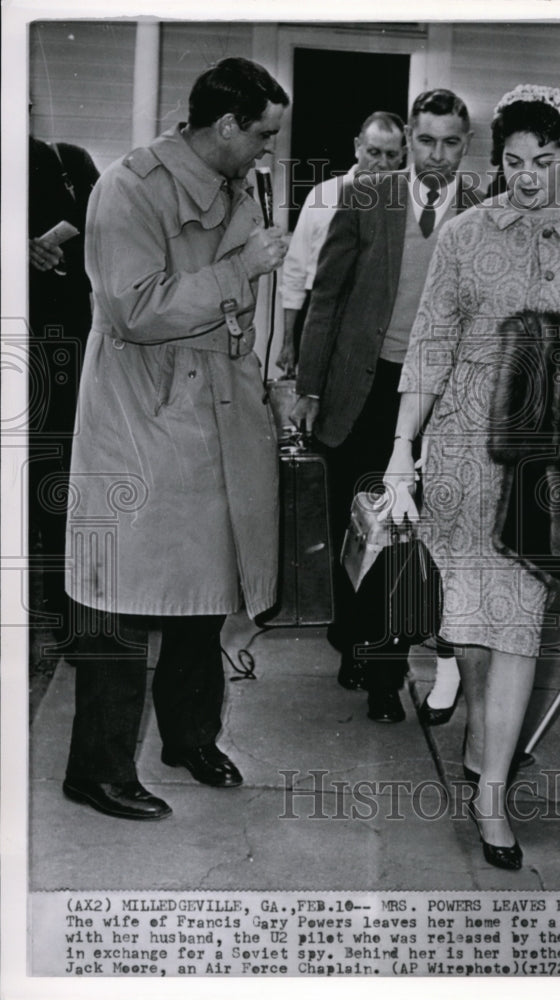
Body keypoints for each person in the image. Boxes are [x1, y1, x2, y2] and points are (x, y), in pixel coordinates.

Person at [382, 84, 560, 868]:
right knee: (467, 624)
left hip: (546, 462)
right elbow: (429, 341)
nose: (527, 176)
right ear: (496, 161)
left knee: (519, 624)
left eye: (543, 161)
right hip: (465, 447)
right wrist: (403, 446)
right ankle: (477, 725)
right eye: (512, 161)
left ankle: (491, 792)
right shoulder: (464, 235)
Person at [61, 57, 290, 821]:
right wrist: (239, 269)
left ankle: (188, 737)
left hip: (216, 412)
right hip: (144, 420)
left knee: (203, 590)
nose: (267, 152)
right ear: (224, 126)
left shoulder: (234, 184)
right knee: (118, 600)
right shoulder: (128, 187)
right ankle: (95, 770)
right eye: (261, 136)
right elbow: (132, 310)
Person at [291, 89, 482, 724]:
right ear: (409, 139)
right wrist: (310, 388)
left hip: (435, 399)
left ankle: (383, 668)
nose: (437, 154)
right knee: (362, 523)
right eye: (426, 140)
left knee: (407, 540)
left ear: (466, 145)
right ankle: (354, 638)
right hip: (362, 390)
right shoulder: (367, 196)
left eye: (450, 142)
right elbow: (326, 297)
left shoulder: (482, 214)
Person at [28, 134, 99, 633]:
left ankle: (62, 607)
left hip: (60, 345)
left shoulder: (65, 160)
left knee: (56, 474)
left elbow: (103, 218)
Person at [276, 111, 406, 376]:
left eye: (391, 155)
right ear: (357, 147)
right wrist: (289, 341)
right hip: (320, 315)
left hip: (378, 325)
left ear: (403, 154)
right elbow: (295, 272)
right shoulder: (324, 196)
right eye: (373, 152)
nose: (381, 163)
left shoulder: (409, 207)